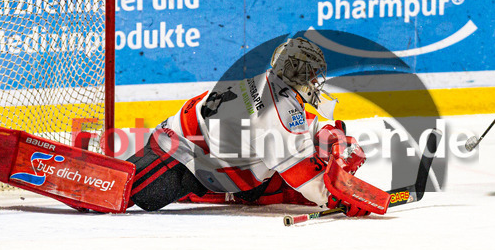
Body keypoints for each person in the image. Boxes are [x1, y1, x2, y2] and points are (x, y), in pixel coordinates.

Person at [125, 37, 375, 217]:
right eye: (313, 74)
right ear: (299, 74)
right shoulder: (279, 109)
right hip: (177, 156)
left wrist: (328, 136)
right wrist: (337, 197)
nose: (315, 81)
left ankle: (209, 189)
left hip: (199, 152)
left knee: (276, 182)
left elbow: (289, 130)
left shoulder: (267, 81)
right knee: (128, 191)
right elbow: (303, 172)